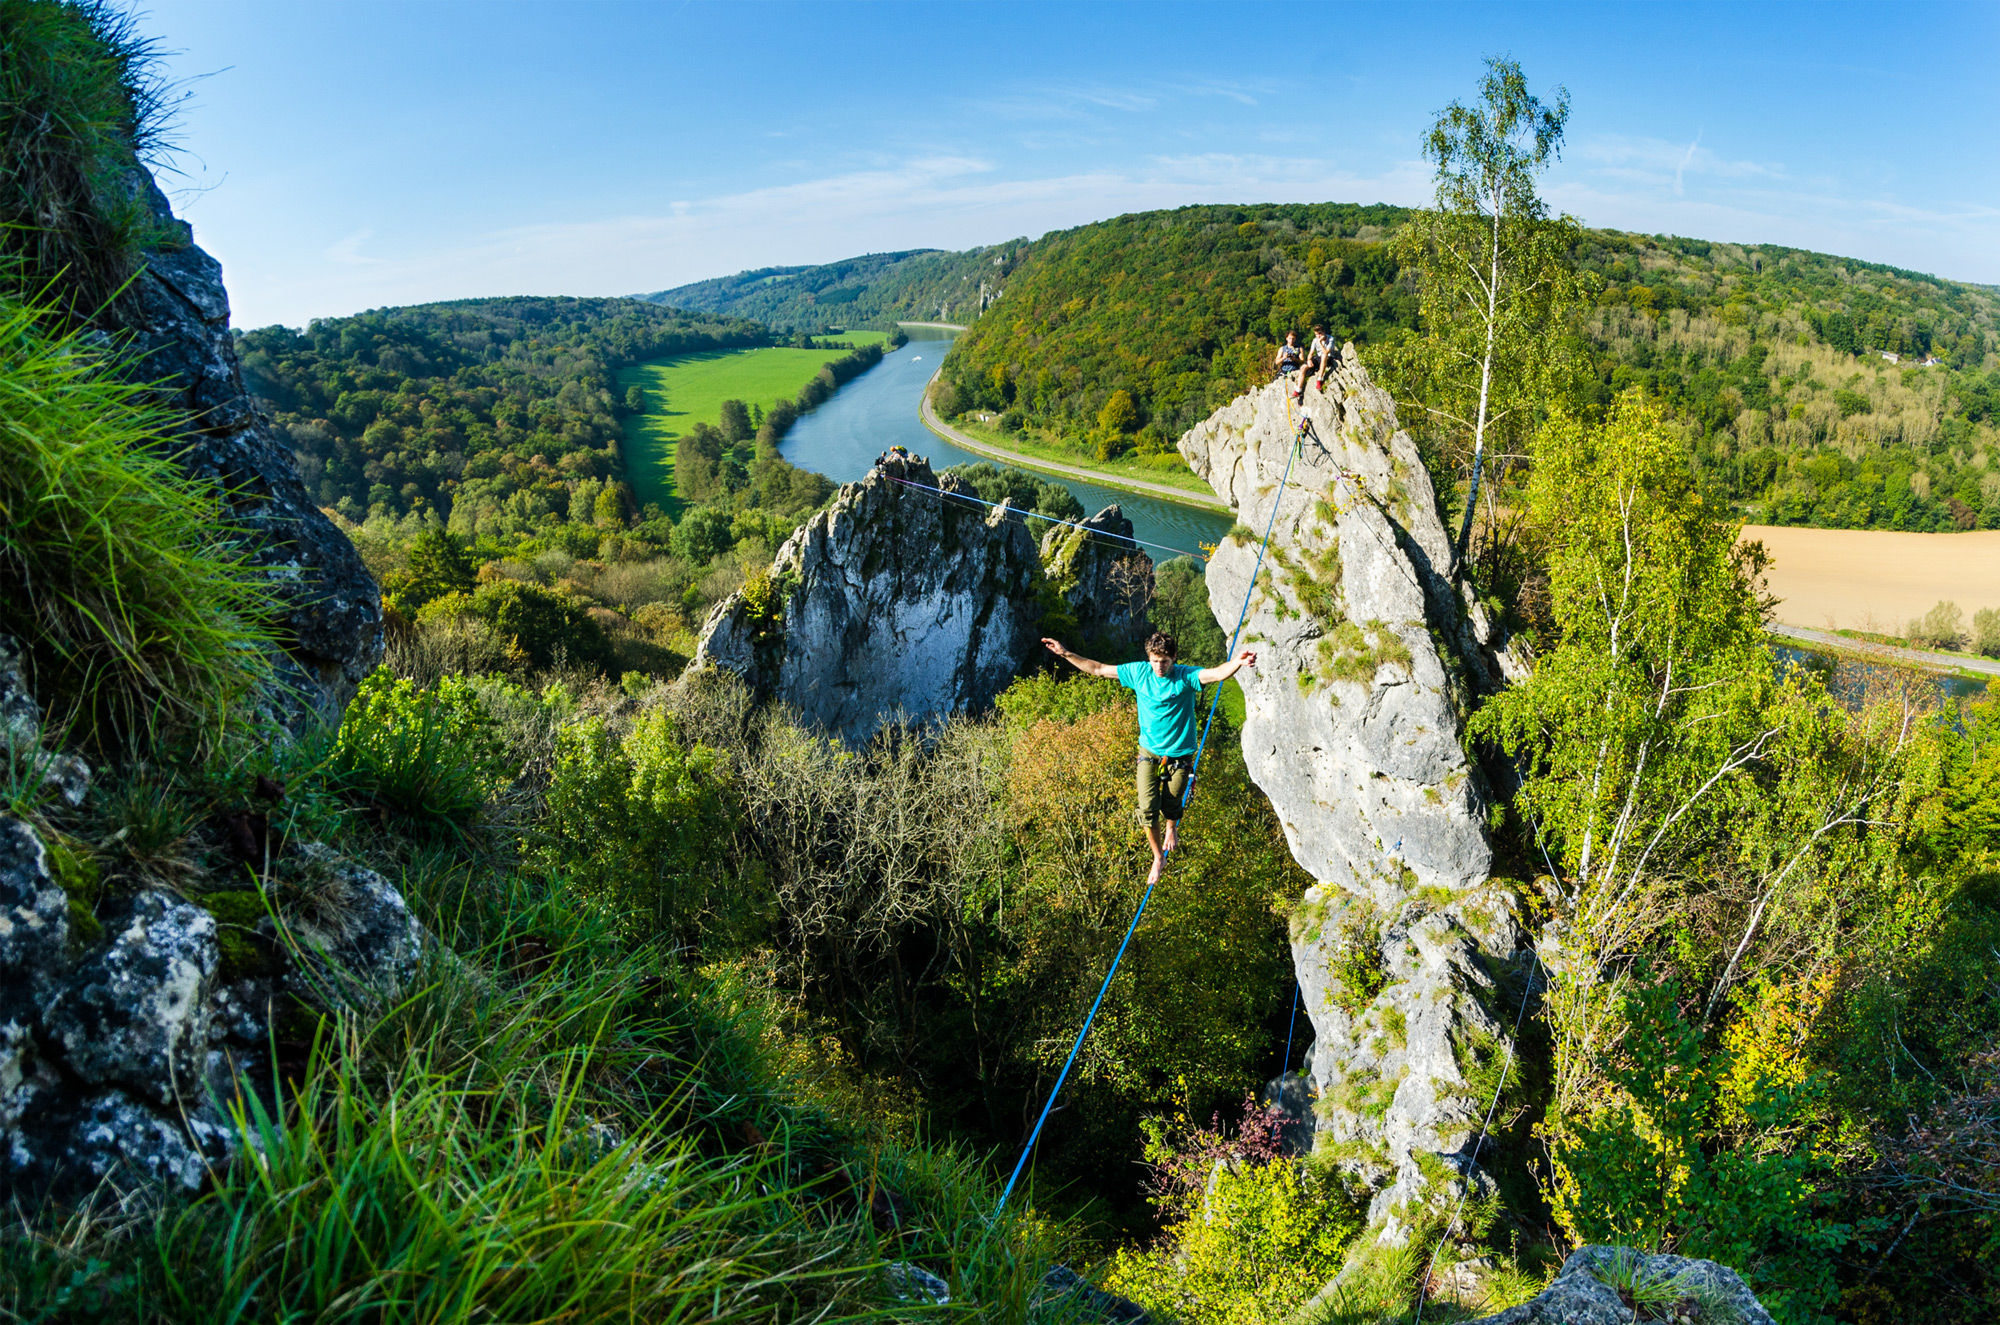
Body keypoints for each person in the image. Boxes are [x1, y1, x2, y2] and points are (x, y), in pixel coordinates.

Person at [1041, 631, 1258, 886]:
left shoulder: (1186, 676)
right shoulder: (1138, 673)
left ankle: (1171, 826)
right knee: (1147, 808)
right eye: (1155, 660)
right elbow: (1098, 669)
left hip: (1180, 753)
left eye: (1165, 661)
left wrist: (1238, 662)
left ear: (1174, 658)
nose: (1160, 666)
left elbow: (1216, 673)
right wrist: (1065, 653)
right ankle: (1158, 858)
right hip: (1149, 752)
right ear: (1149, 658)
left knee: (1172, 804)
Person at [1302, 325, 1334, 393]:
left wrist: (1320, 343)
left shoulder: (1330, 339)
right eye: (1316, 334)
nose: (1318, 336)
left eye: (1320, 333)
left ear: (1324, 332)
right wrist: (1309, 360)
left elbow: (1325, 352)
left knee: (1324, 355)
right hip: (1318, 357)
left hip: (1328, 358)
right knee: (1303, 367)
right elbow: (1311, 353)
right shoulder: (1314, 340)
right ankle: (1298, 389)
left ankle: (1319, 379)